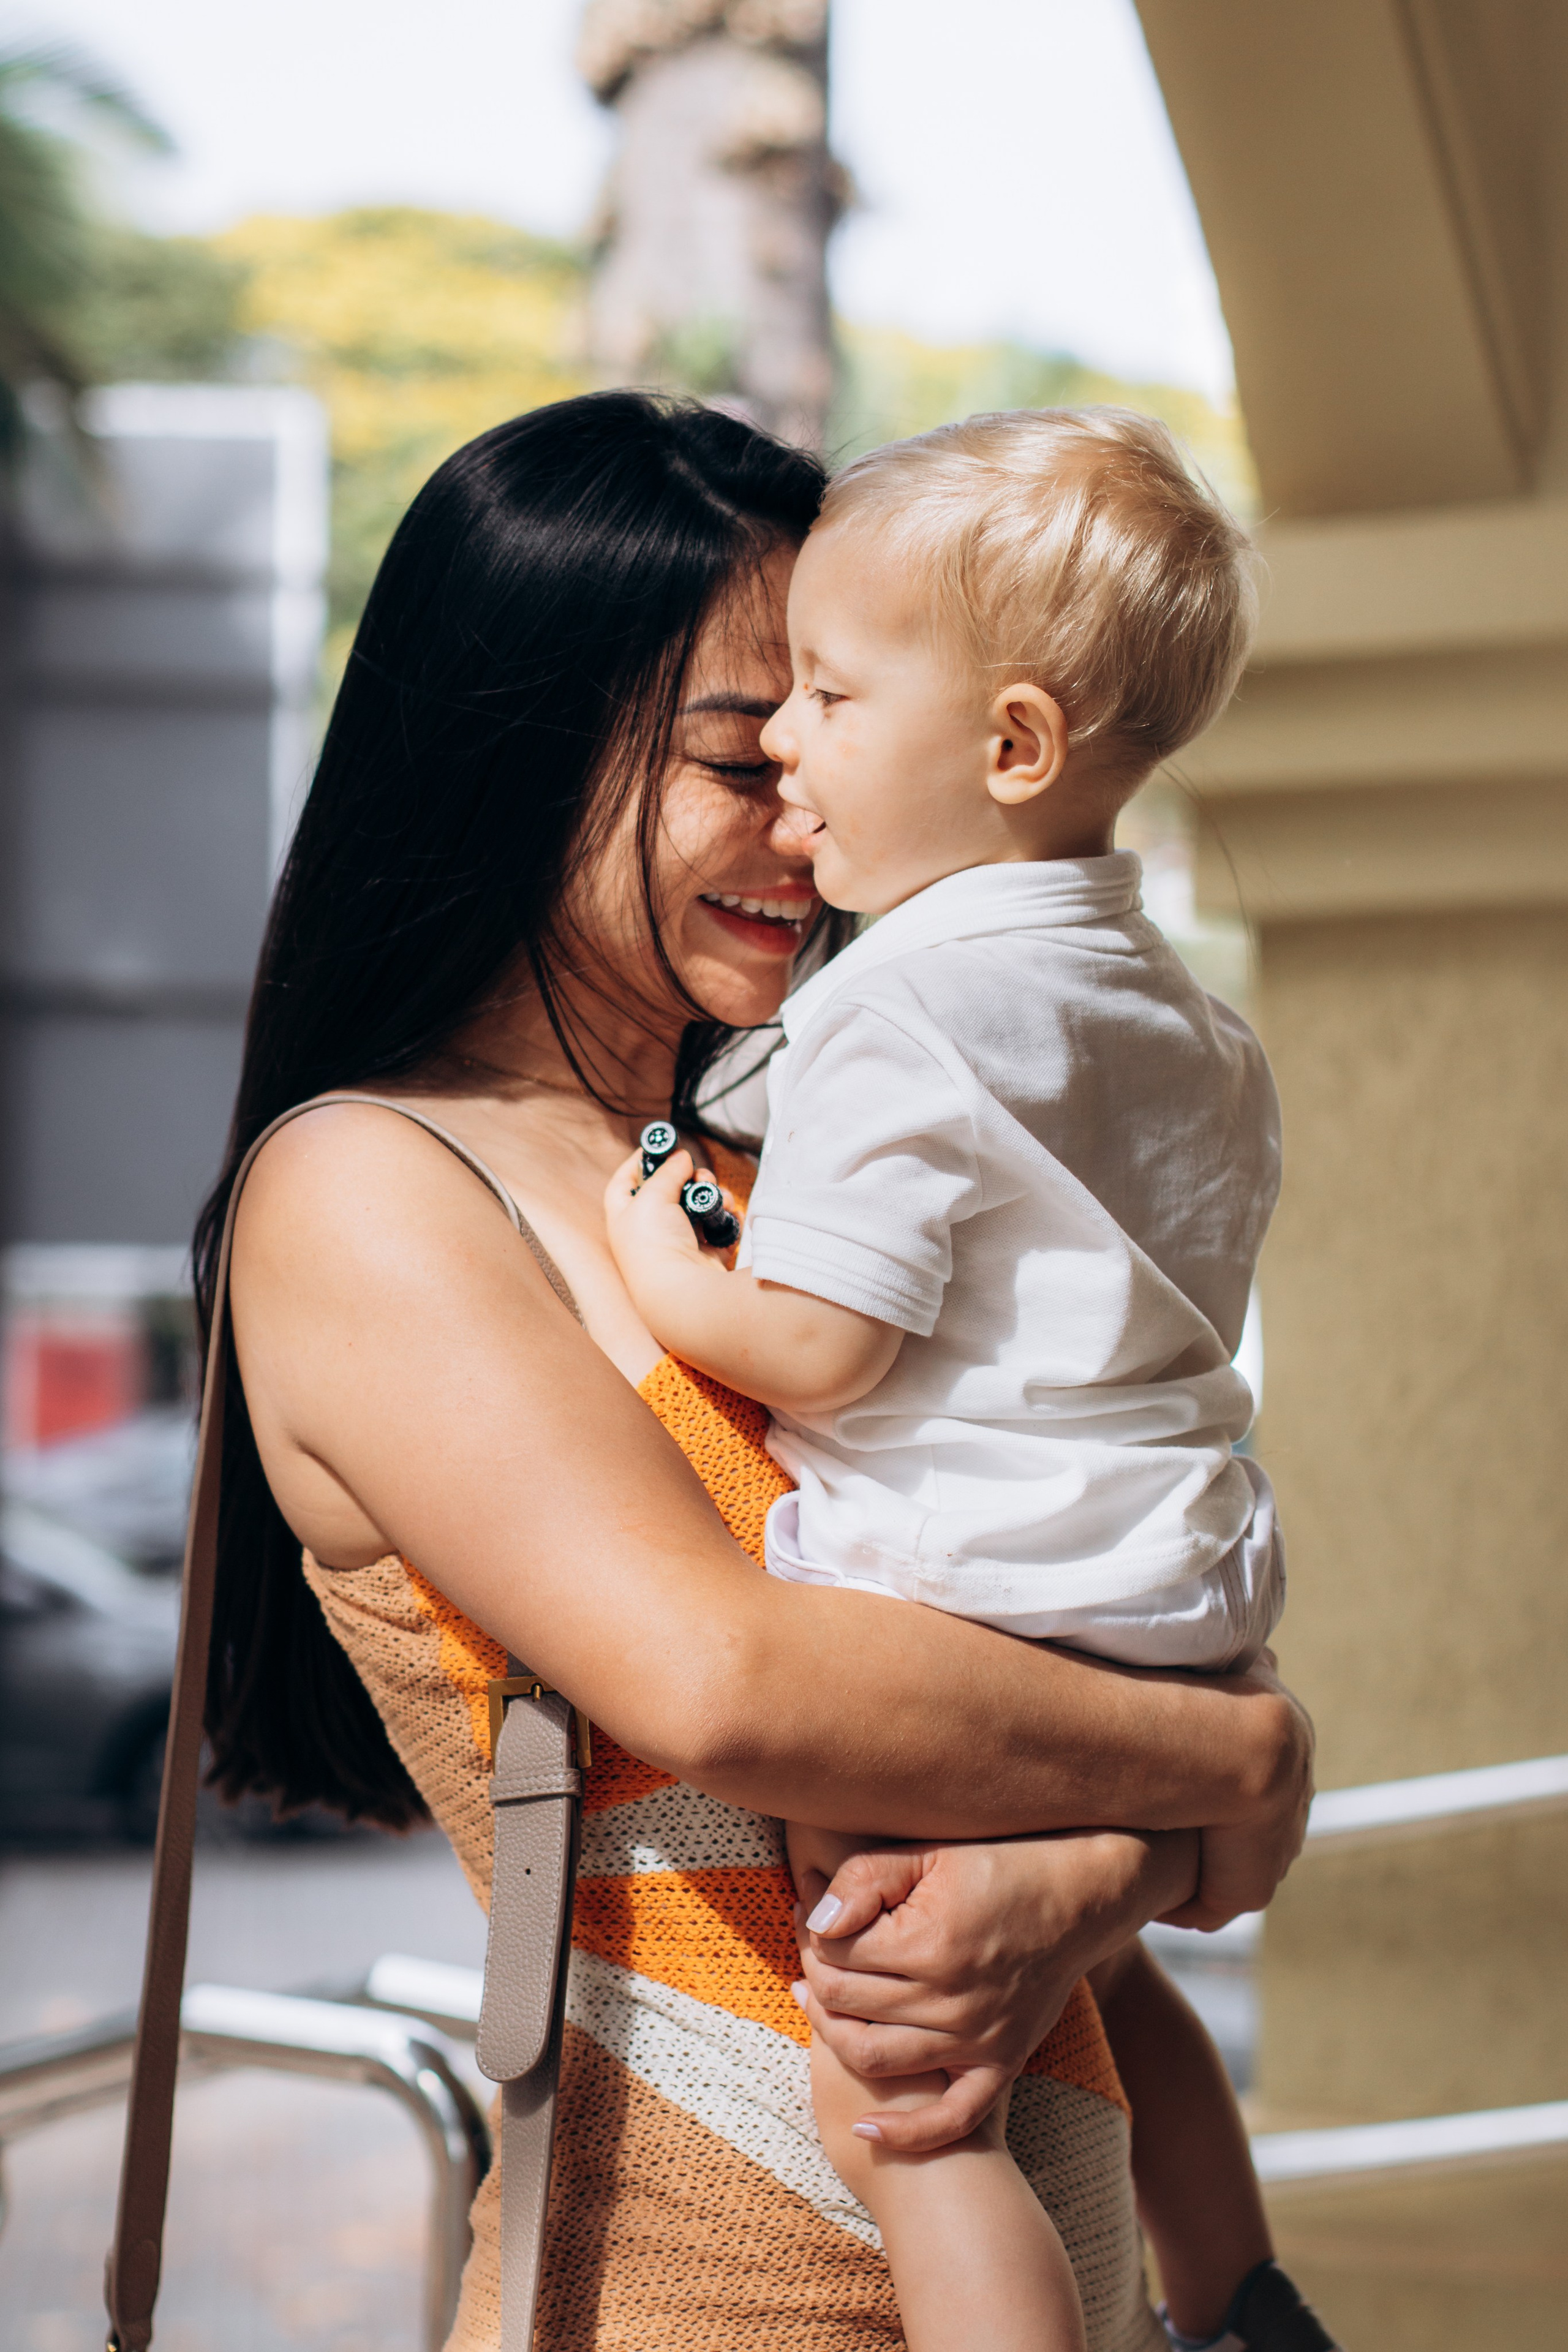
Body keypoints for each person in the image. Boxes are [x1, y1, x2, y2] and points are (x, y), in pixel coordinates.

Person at [205, 390, 1314, 2352]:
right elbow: (727, 1677)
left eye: (834, 716)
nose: (806, 809)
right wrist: (1236, 1758)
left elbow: (1048, 1671)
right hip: (683, 2305)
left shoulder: (810, 1153)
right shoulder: (373, 1186)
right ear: (520, 753)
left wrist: (1065, 1882)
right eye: (746, 747)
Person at [605, 407, 1335, 2352]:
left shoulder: (896, 1007)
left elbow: (823, 1342)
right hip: (1175, 1601)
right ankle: (1247, 2303)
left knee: (912, 2109)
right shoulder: (1196, 1025)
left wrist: (660, 1252)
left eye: (830, 694)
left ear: (1010, 747)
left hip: (968, 1600)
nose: (786, 743)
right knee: (1121, 1994)